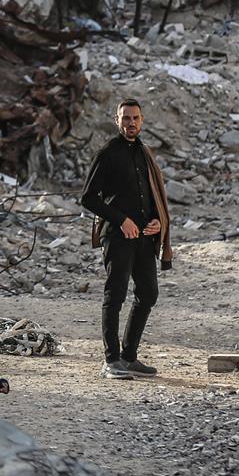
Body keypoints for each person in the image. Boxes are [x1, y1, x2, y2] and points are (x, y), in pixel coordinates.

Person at [78, 99, 173, 381]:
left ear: (142, 120)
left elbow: (152, 193)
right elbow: (88, 198)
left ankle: (129, 357)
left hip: (144, 236)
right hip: (118, 236)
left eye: (135, 118)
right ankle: (111, 361)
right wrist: (121, 220)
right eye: (125, 118)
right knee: (115, 295)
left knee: (148, 294)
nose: (131, 123)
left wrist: (158, 221)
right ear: (116, 120)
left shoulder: (144, 152)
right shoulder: (107, 153)